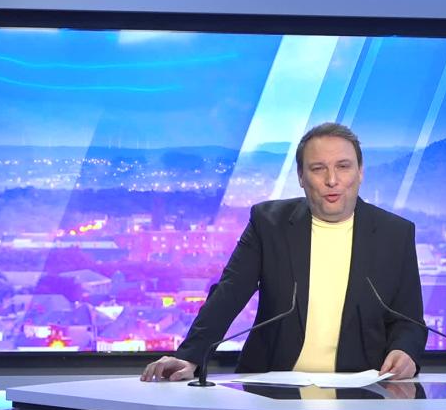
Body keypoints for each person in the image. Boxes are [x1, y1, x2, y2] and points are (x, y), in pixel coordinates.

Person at [141, 123, 425, 382]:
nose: (332, 180)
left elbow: (409, 320)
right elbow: (229, 294)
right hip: (272, 383)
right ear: (301, 176)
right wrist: (190, 355)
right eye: (318, 169)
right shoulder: (268, 224)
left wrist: (405, 351)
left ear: (360, 172)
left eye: (343, 166)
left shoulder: (395, 234)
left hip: (361, 386)